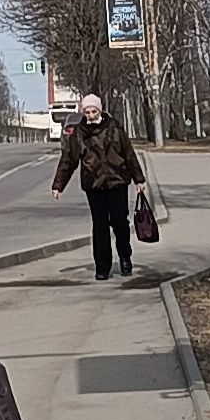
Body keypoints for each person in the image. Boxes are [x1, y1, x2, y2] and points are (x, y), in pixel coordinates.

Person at [52, 92, 145, 280]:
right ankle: (102, 266)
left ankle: (125, 257)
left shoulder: (114, 127)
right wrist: (58, 185)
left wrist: (139, 179)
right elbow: (69, 159)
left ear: (100, 110)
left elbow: (128, 153)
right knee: (100, 226)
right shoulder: (79, 133)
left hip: (117, 181)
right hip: (94, 185)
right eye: (87, 112)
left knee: (120, 222)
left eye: (93, 111)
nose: (90, 115)